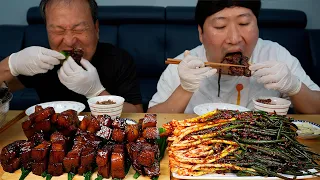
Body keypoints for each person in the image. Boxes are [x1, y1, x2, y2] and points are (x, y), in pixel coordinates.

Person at [148, 0, 320, 114]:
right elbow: (152, 122)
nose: (234, 38)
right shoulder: (182, 65)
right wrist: (185, 88)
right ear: (201, 32)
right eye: (220, 26)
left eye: (244, 24)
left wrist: (295, 87)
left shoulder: (275, 55)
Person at [0, 0, 143, 113]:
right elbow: (4, 87)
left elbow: (137, 113)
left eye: (79, 29)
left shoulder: (118, 59)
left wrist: (97, 93)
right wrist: (11, 64)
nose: (69, 41)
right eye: (58, 31)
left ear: (96, 29)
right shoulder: (40, 61)